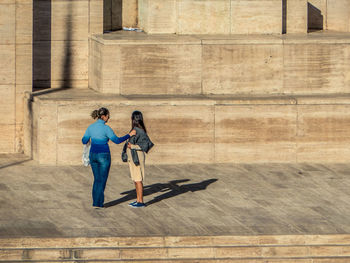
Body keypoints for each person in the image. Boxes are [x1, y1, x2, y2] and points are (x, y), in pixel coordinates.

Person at [82, 107, 136, 209]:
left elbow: (84, 140)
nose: (109, 118)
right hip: (104, 156)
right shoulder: (106, 128)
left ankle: (95, 202)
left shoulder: (91, 127)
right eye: (108, 116)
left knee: (96, 179)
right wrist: (129, 135)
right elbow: (117, 140)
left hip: (93, 155)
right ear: (103, 116)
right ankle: (99, 203)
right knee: (102, 180)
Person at [122, 111, 154, 208]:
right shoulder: (135, 130)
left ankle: (141, 202)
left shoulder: (139, 131)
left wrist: (133, 146)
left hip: (138, 158)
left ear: (133, 119)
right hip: (133, 157)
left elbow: (146, 145)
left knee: (138, 179)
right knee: (135, 179)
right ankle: (138, 200)